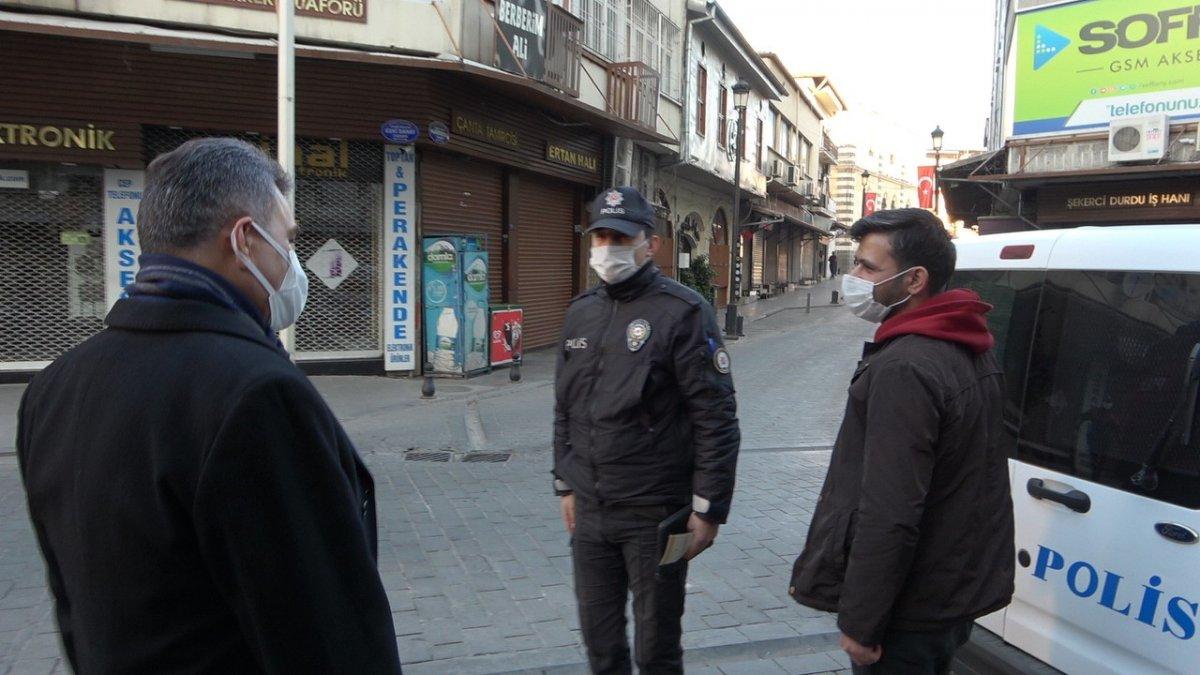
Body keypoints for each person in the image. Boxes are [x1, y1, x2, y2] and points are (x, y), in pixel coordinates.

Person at [17, 138, 402, 673]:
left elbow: (73, 604)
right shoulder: (257, 393)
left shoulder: (53, 387)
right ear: (245, 240)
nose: (292, 261)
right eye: (288, 240)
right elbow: (324, 629)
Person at [788, 209, 1014, 674]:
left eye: (869, 267)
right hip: (948, 594)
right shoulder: (969, 345)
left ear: (914, 280)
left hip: (907, 610)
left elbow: (890, 511)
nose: (854, 276)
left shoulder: (906, 366)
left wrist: (862, 621)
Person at [553, 186, 741, 674]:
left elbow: (716, 416)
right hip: (591, 510)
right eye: (600, 237)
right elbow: (565, 407)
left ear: (650, 244)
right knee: (601, 646)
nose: (607, 248)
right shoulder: (581, 311)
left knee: (656, 650)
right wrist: (564, 482)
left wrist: (709, 508)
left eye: (620, 237)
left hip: (654, 513)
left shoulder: (683, 311)